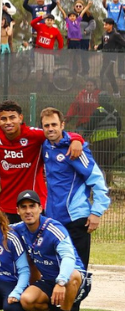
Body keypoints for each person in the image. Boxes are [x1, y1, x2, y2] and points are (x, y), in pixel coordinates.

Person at [39, 107, 109, 273]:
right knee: (55, 270)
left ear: (62, 125)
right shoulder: (45, 146)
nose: (50, 129)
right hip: (53, 220)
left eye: (54, 124)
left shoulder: (76, 150)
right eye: (46, 125)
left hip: (76, 219)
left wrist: (97, 212)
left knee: (77, 272)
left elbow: (98, 181)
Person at [13, 191, 90, 311]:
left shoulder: (54, 228)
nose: (28, 211)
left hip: (73, 279)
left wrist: (61, 282)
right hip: (49, 280)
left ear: (40, 208)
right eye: (23, 207)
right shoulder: (19, 228)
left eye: (32, 206)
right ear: (18, 211)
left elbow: (68, 257)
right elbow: (0, 228)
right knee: (26, 300)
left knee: (72, 275)